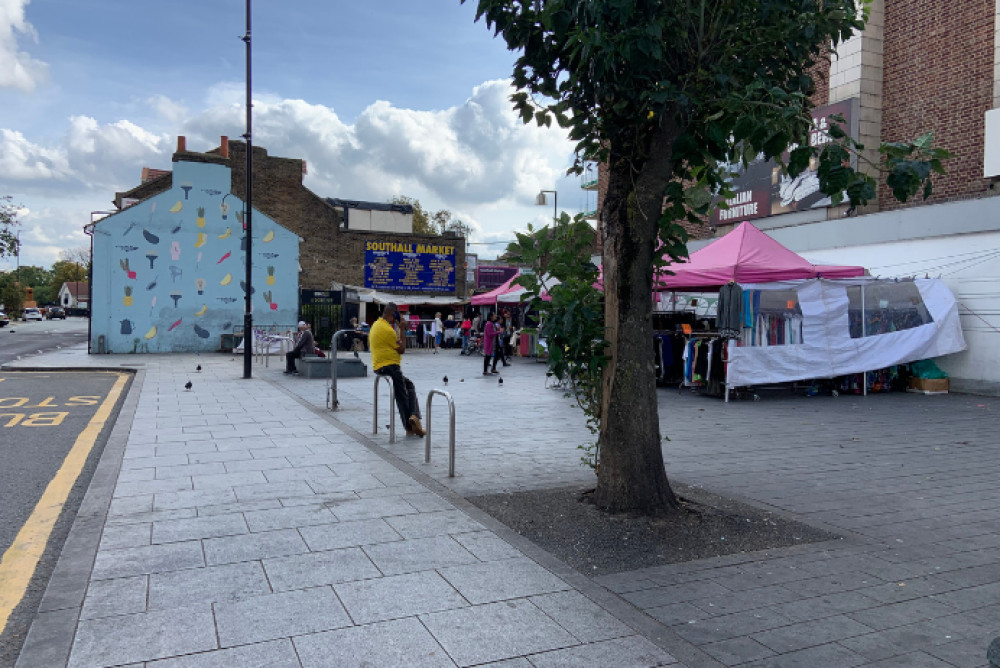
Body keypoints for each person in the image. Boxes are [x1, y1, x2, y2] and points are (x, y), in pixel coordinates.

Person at [371, 303, 425, 436]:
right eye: (398, 314)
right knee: (401, 395)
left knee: (408, 386)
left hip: (379, 365)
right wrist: (402, 329)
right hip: (390, 366)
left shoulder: (377, 325)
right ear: (393, 314)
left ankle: (414, 417)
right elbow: (401, 349)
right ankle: (409, 426)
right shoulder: (388, 330)